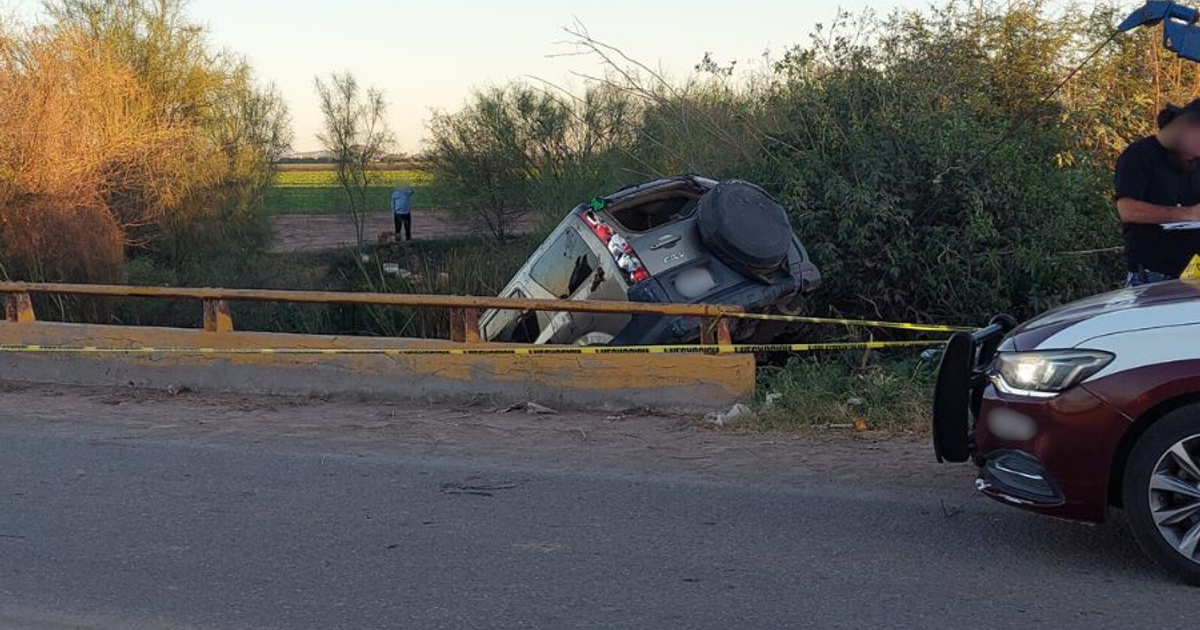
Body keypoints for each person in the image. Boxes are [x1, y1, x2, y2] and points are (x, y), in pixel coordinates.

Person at [1114, 99, 1200, 286]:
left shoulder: (1194, 162)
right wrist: (1186, 214)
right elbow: (1127, 210)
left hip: (1194, 272)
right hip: (1154, 274)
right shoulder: (1138, 156)